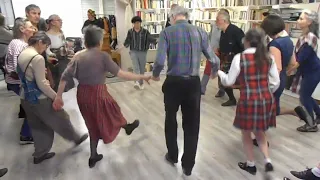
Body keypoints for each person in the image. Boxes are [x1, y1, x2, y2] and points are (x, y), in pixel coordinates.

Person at [53, 25, 150, 168]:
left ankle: (93, 155)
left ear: (85, 42)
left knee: (92, 124)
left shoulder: (78, 56)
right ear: (99, 42)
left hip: (82, 94)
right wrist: (142, 75)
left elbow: (64, 77)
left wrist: (58, 96)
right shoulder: (103, 56)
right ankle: (126, 127)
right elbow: (122, 74)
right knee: (113, 112)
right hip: (98, 93)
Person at [151, 6, 220, 176]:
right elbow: (213, 58)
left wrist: (155, 75)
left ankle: (173, 155)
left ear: (173, 17)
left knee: (170, 119)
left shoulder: (167, 32)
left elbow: (159, 61)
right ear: (186, 16)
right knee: (192, 124)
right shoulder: (200, 32)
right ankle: (188, 165)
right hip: (193, 84)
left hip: (173, 83)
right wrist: (214, 72)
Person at [18, 31, 88, 164]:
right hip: (39, 98)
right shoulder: (37, 58)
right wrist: (56, 97)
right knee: (61, 118)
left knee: (37, 126)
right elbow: (42, 84)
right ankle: (76, 138)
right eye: (45, 46)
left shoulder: (23, 53)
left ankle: (40, 153)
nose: (44, 50)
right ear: (40, 42)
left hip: (25, 97)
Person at [218, 28, 280, 175]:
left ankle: (250, 164)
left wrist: (220, 73)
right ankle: (267, 160)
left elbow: (229, 81)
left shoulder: (240, 58)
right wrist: (266, 91)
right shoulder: (269, 57)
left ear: (246, 41)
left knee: (246, 134)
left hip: (248, 99)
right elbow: (275, 82)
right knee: (260, 131)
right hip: (266, 98)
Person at [287, 10, 320, 132]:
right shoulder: (304, 37)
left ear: (309, 22)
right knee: (306, 95)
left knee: (304, 96)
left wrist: (288, 70)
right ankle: (319, 115)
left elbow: (301, 59)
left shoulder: (310, 37)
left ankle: (311, 124)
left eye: (301, 19)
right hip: (310, 71)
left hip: (313, 71)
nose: (298, 21)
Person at [5, 18, 36, 144]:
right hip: (18, 83)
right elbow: (19, 67)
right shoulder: (20, 45)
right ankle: (26, 135)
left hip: (15, 81)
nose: (33, 29)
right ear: (22, 29)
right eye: (31, 27)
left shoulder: (15, 42)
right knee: (33, 107)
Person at [216, 10, 245, 106]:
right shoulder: (223, 31)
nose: (216, 22)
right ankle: (232, 99)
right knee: (224, 80)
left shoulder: (236, 31)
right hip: (225, 59)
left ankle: (244, 99)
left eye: (218, 20)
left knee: (240, 81)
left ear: (224, 20)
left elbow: (243, 46)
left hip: (236, 60)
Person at [122, 16, 157, 90]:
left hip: (143, 52)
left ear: (140, 23)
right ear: (133, 24)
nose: (137, 24)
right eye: (135, 23)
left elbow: (151, 39)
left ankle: (141, 83)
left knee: (141, 68)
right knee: (136, 67)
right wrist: (122, 48)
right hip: (133, 52)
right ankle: (136, 82)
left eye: (138, 23)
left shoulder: (145, 31)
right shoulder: (130, 32)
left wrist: (158, 41)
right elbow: (127, 41)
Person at [201, 8, 229, 95]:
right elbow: (210, 37)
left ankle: (222, 89)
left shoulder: (228, 28)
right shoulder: (213, 25)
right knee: (208, 69)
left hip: (222, 52)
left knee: (221, 70)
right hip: (212, 52)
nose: (217, 19)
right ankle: (202, 89)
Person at [45, 14, 74, 92]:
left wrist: (68, 49)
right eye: (59, 20)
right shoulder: (47, 35)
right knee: (58, 79)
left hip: (64, 58)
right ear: (53, 22)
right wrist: (54, 60)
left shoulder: (61, 32)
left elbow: (64, 45)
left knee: (67, 78)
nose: (61, 22)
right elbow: (47, 50)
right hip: (54, 60)